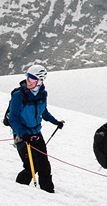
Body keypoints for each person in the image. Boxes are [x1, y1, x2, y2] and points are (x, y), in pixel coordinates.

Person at [6, 62, 64, 191]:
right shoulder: (18, 96)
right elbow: (13, 118)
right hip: (22, 135)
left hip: (36, 133)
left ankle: (48, 192)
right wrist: (22, 133)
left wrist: (56, 122)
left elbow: (43, 112)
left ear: (40, 81)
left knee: (44, 165)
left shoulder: (43, 94)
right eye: (28, 77)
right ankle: (18, 189)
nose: (29, 81)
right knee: (32, 166)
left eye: (32, 78)